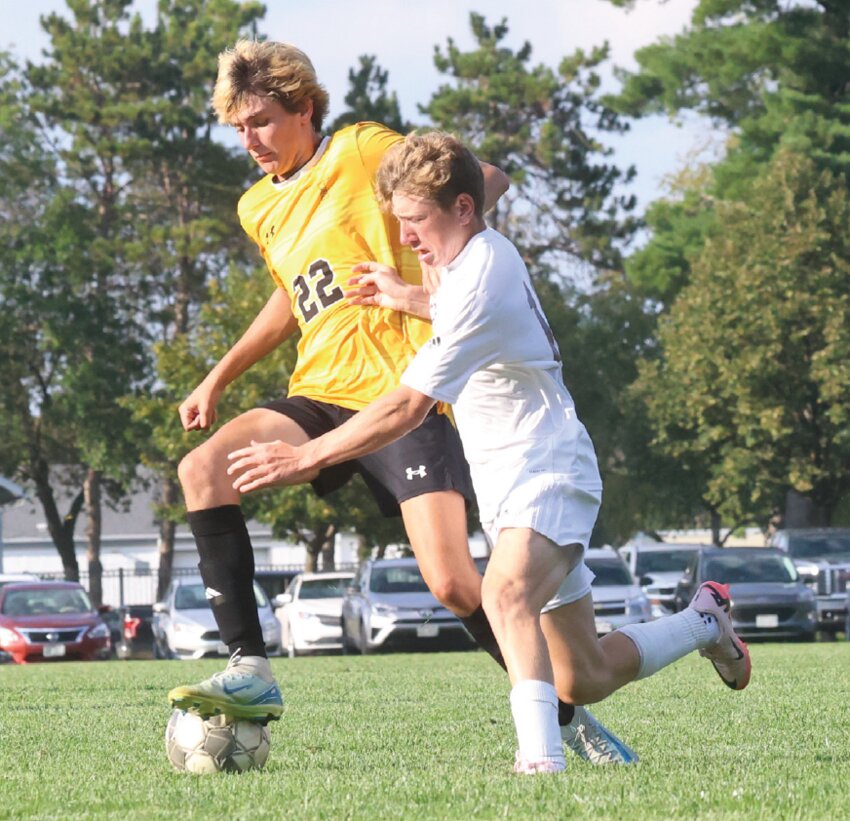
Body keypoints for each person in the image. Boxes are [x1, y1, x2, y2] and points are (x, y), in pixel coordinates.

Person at [226, 131, 752, 774]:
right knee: (581, 677)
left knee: (504, 595)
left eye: (416, 221)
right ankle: (706, 622)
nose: (409, 237)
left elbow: (405, 407)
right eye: (401, 222)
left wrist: (306, 458)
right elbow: (459, 309)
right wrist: (404, 296)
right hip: (506, 488)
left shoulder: (483, 270)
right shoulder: (468, 264)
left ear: (464, 210)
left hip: (550, 469)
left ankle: (540, 769)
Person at [167, 40, 635, 763]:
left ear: (304, 109)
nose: (248, 139)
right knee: (203, 469)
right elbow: (294, 296)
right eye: (237, 126)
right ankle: (251, 667)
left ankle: (566, 717)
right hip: (319, 392)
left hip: (405, 396)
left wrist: (438, 266)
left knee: (452, 582)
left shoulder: (358, 149)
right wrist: (218, 375)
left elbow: (481, 179)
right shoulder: (257, 205)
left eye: (260, 120)